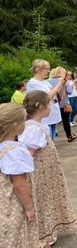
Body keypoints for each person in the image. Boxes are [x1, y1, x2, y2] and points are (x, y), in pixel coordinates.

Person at [19, 90, 76, 245]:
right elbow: (28, 154)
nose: (52, 107)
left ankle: (47, 231)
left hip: (45, 173)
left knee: (46, 201)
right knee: (41, 202)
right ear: (41, 107)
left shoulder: (36, 125)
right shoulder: (33, 129)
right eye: (50, 104)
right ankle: (40, 237)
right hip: (39, 174)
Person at [0, 103, 43, 248]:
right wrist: (29, 207)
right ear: (15, 126)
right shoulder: (14, 150)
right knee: (15, 232)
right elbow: (19, 185)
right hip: (11, 200)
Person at [26, 59, 65, 141]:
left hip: (52, 116)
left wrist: (63, 85)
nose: (48, 71)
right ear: (38, 70)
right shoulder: (33, 83)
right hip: (44, 119)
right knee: (46, 142)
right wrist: (58, 84)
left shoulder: (46, 82)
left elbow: (58, 96)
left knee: (52, 141)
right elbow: (47, 97)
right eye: (46, 69)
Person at [47, 66, 77, 142]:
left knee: (53, 120)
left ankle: (53, 136)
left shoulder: (47, 81)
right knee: (65, 120)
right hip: (63, 104)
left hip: (52, 104)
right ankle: (69, 136)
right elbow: (69, 91)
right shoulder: (64, 81)